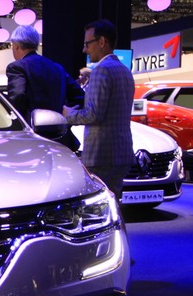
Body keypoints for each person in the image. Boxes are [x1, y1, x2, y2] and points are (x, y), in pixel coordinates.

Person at [63, 19, 135, 200]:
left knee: (99, 207)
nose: (84, 50)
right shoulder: (125, 71)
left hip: (101, 155)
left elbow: (93, 114)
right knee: (114, 204)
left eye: (87, 44)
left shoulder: (101, 71)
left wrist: (68, 114)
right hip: (122, 152)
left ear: (102, 42)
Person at [6, 25, 84, 151]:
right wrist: (64, 115)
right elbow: (80, 97)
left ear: (16, 46)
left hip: (30, 141)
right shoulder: (57, 68)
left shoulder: (17, 67)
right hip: (61, 140)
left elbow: (17, 97)